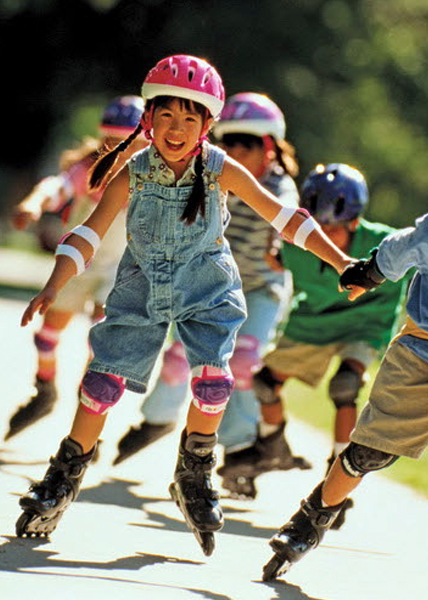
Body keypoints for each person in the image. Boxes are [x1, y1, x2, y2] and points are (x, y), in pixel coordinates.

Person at [14, 54, 357, 556]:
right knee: (101, 384)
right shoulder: (132, 172)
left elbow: (285, 217)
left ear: (207, 125)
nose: (176, 129)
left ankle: (194, 473)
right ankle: (63, 477)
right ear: (148, 119)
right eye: (167, 115)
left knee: (214, 380)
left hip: (207, 288)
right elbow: (88, 233)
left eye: (189, 118)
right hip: (140, 287)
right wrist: (53, 285)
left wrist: (341, 261)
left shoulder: (220, 169)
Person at [262, 127, 428, 600]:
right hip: (424, 352)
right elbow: (390, 254)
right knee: (369, 452)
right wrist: (364, 275)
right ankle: (309, 521)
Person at [113, 91, 312, 499]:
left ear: (269, 147)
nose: (235, 151)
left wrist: (279, 247)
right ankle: (158, 420)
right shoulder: (210, 172)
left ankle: (240, 449)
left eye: (247, 144)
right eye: (229, 142)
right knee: (181, 357)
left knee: (242, 364)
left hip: (261, 290)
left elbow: (287, 215)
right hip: (211, 285)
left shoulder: (278, 185)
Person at [252, 162, 408, 522]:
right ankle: (272, 445)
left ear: (355, 222)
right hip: (314, 324)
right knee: (264, 384)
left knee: (345, 385)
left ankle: (337, 476)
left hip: (366, 322)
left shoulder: (385, 244)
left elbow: (424, 260)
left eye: (333, 229)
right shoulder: (296, 248)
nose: (323, 238)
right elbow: (272, 259)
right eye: (317, 228)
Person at [5, 96, 148, 440]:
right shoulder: (88, 169)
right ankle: (45, 388)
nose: (121, 151)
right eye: (113, 141)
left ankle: (90, 410)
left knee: (102, 341)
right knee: (47, 336)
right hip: (76, 265)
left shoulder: (149, 178)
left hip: (117, 270)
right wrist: (33, 204)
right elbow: (57, 187)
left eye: (130, 144)